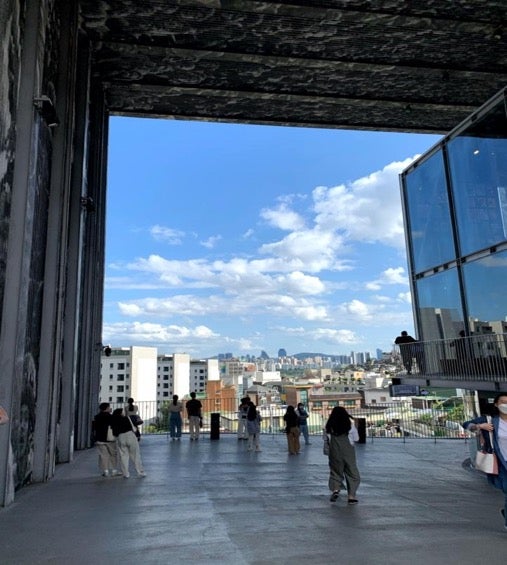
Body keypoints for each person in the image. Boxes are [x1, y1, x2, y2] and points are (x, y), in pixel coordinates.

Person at [463, 393, 507, 531]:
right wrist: (480, 426)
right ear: (496, 404)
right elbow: (467, 424)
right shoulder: (490, 420)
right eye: (503, 402)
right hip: (502, 462)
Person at [325, 406, 361, 504]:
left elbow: (326, 439)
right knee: (352, 473)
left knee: (335, 472)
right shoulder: (349, 425)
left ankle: (336, 490)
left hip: (334, 453)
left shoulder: (329, 426)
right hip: (348, 452)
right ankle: (351, 496)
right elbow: (357, 439)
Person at [111, 408, 146, 478]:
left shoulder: (114, 421)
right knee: (135, 455)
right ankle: (140, 471)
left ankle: (126, 473)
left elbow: (114, 433)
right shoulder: (127, 418)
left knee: (123, 456)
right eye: (123, 411)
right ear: (121, 413)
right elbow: (133, 427)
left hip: (120, 437)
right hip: (130, 435)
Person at [92, 402, 121, 477]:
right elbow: (115, 426)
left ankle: (106, 471)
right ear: (107, 408)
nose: (110, 408)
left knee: (103, 455)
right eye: (109, 407)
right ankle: (114, 470)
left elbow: (94, 428)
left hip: (99, 438)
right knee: (113, 454)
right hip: (110, 438)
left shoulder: (96, 417)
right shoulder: (111, 417)